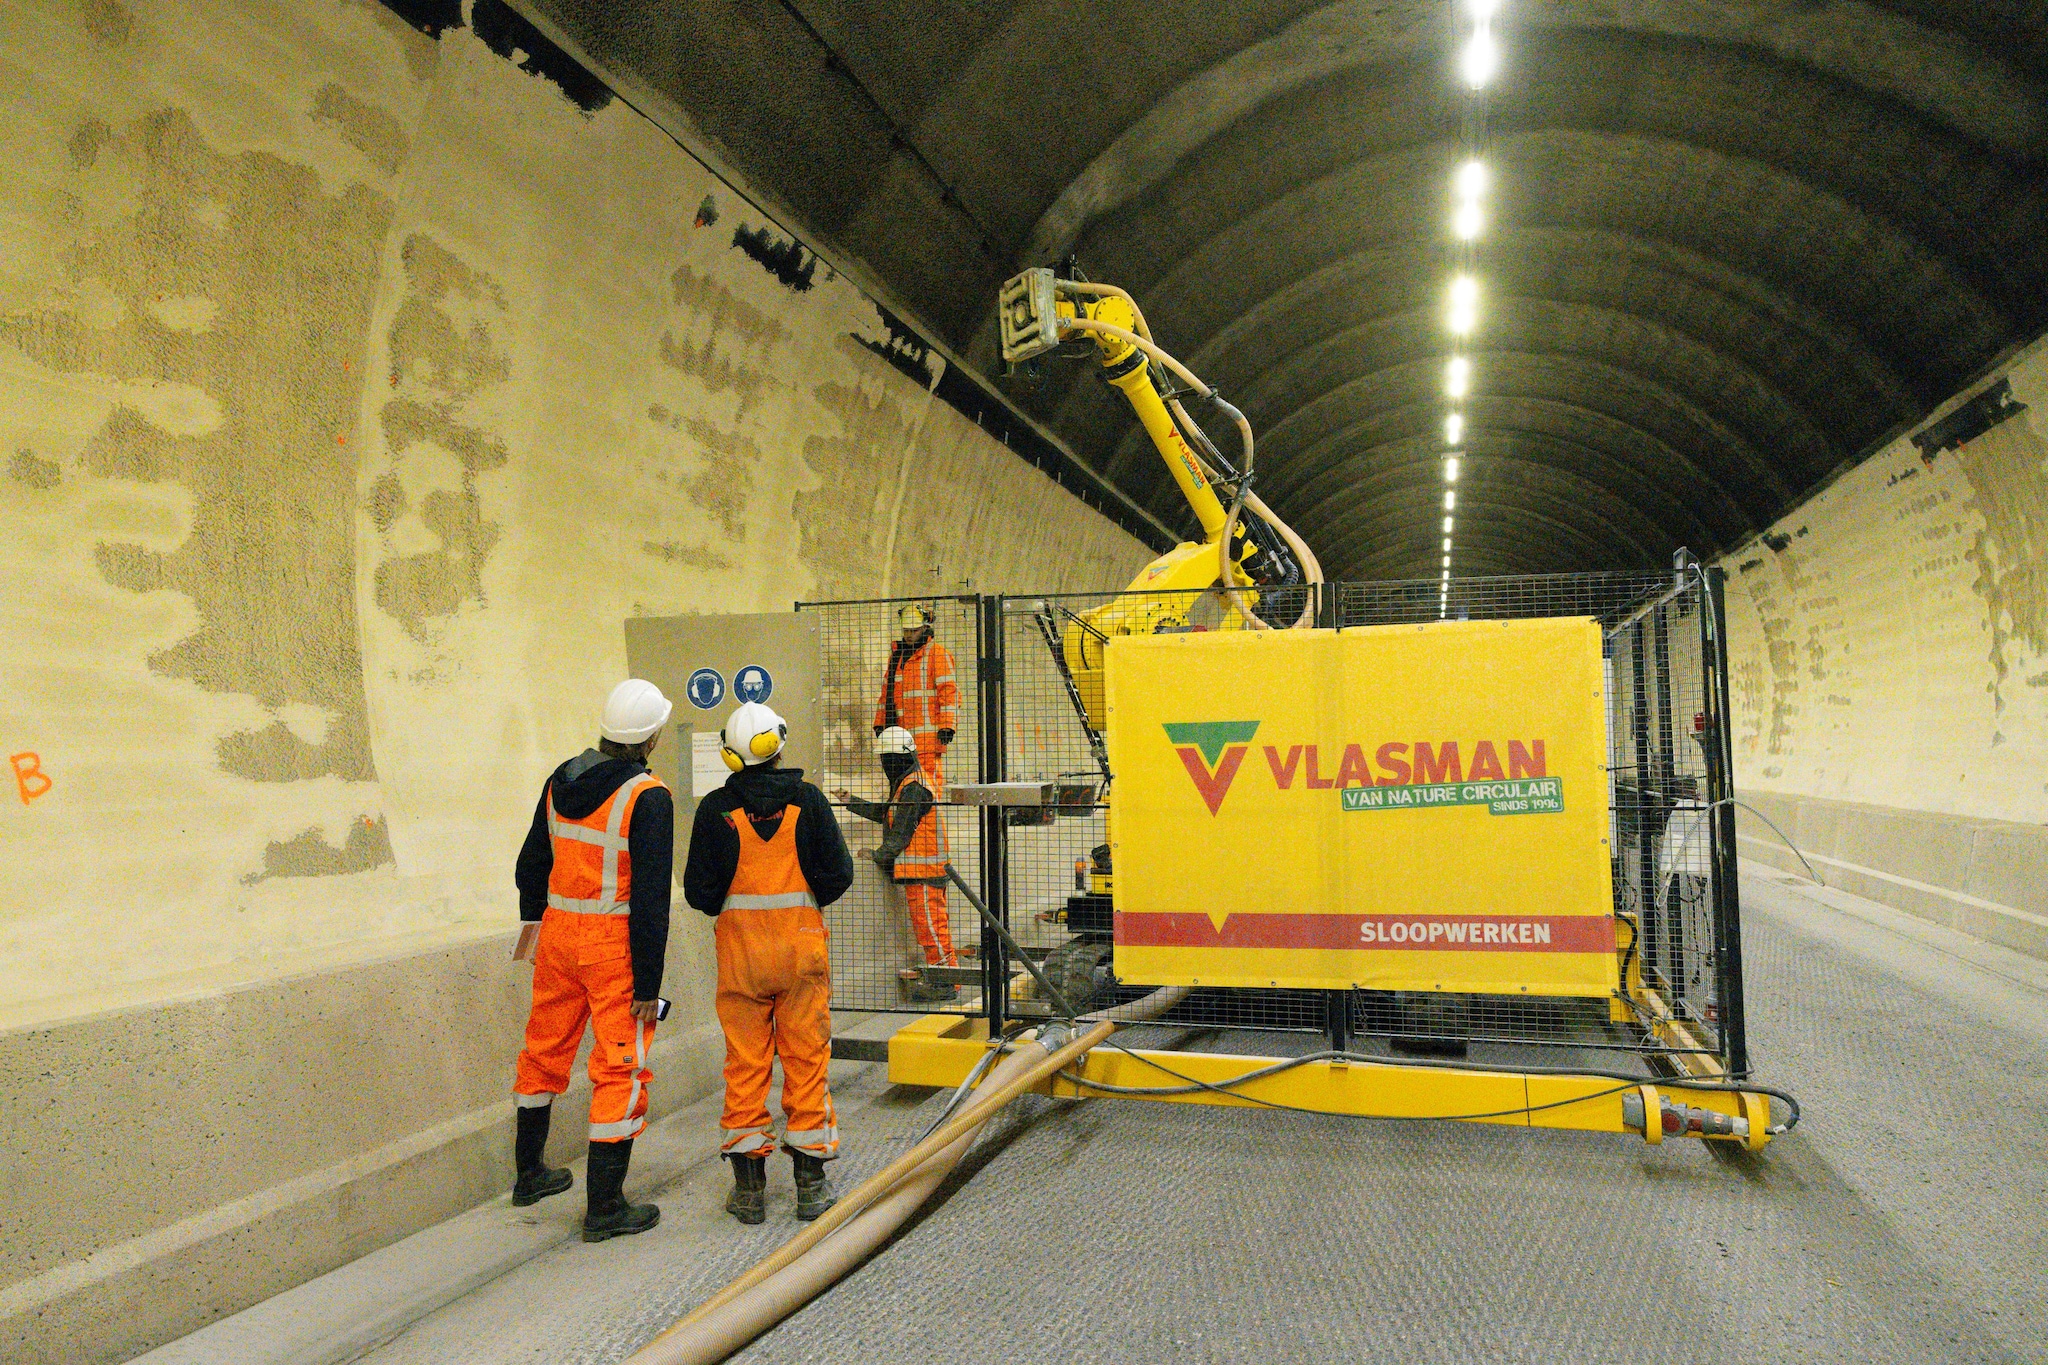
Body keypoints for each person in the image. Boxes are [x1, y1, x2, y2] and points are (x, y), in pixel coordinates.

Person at [510, 678, 674, 1243]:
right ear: (650, 738)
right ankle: (604, 1207)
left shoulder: (562, 778)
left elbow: (531, 860)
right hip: (611, 946)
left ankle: (528, 1175)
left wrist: (538, 919)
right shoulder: (647, 795)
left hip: (557, 932)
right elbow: (651, 899)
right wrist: (648, 984)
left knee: (544, 1048)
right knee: (620, 1065)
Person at [683, 701, 854, 1225]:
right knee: (806, 1060)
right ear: (778, 746)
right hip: (801, 953)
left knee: (746, 1065)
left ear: (732, 755)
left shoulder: (715, 810)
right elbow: (839, 874)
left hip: (742, 959)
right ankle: (810, 1185)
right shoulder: (808, 803)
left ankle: (750, 1192)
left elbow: (699, 893)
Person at [832, 725, 959, 1000]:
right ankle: (944, 978)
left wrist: (878, 855)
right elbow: (887, 814)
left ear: (894, 758)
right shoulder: (907, 784)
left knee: (932, 929)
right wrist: (850, 801)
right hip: (921, 871)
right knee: (931, 928)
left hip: (925, 871)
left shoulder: (914, 787)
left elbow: (901, 832)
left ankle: (947, 983)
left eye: (885, 759)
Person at [873, 603, 957, 782]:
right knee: (903, 788)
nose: (909, 635)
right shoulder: (897, 657)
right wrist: (880, 723)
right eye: (906, 631)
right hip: (898, 740)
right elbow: (886, 694)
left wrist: (947, 725)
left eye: (914, 630)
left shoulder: (937, 654)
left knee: (927, 788)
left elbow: (949, 693)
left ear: (925, 628)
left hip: (927, 741)